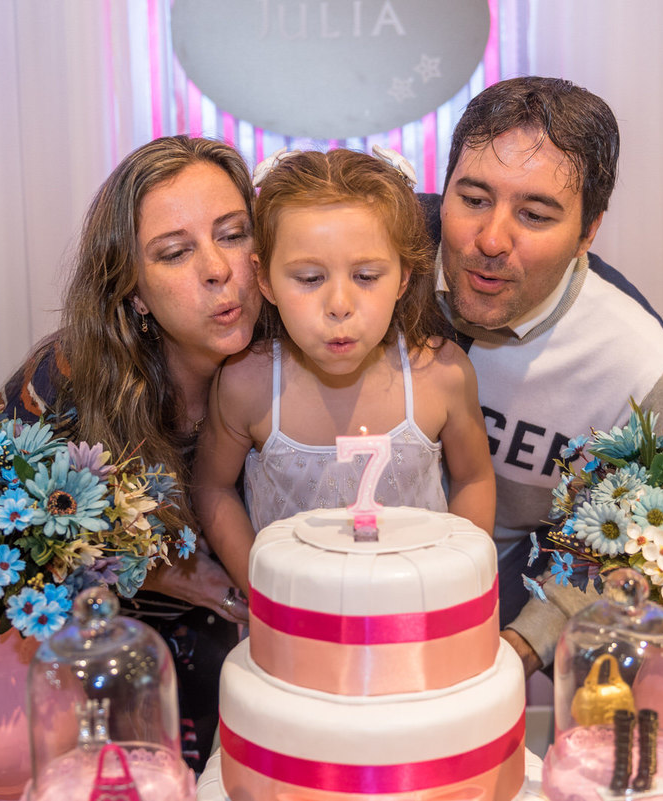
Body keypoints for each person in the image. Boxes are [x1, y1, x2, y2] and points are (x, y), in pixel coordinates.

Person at [0, 135, 263, 772]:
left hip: (268, 685)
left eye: (233, 235)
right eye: (175, 252)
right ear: (134, 290)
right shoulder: (65, 382)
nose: (217, 269)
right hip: (98, 689)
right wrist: (157, 569)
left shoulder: (304, 363)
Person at [420, 77, 663, 676]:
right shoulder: (376, 260)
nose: (491, 240)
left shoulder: (637, 364)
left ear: (587, 232)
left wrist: (524, 645)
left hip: (506, 578)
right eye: (473, 199)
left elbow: (635, 534)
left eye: (535, 215)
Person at [193, 148, 496, 594]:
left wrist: (460, 587)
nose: (339, 305)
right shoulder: (245, 383)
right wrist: (262, 593)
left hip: (415, 614)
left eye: (367, 276)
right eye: (309, 278)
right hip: (293, 621)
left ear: (404, 276)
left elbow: (473, 478)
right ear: (265, 279)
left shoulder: (442, 375)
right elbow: (213, 489)